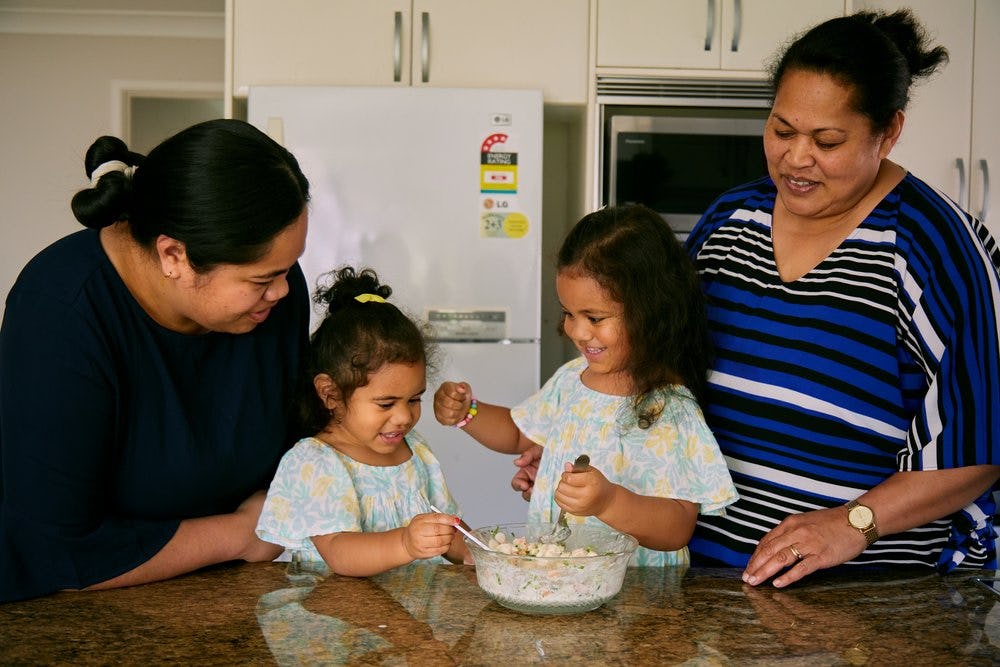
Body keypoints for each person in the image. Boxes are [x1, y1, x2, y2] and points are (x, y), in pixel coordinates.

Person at [515, 8, 1000, 587]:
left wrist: (852, 523)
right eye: (781, 129)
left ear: (888, 131)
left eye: (827, 140)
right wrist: (592, 449)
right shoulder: (729, 221)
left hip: (863, 600)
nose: (795, 157)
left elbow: (979, 445)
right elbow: (657, 367)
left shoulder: (937, 250)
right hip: (696, 584)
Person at [0, 119, 311, 602]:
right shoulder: (60, 310)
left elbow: (291, 446)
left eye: (288, 269)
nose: (284, 290)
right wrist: (241, 533)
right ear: (174, 255)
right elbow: (51, 549)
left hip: (233, 602)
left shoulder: (275, 300)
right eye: (261, 279)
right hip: (80, 613)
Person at [435, 205, 738, 566]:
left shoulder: (668, 409)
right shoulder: (572, 379)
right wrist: (467, 412)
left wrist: (608, 501)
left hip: (639, 600)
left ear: (651, 312)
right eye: (568, 313)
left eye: (594, 317)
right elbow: (520, 434)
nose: (577, 332)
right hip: (561, 582)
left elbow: (677, 527)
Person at [256, 266, 470, 576]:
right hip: (344, 616)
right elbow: (340, 552)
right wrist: (406, 544)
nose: (404, 417)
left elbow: (446, 527)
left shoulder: (415, 449)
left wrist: (478, 553)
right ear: (330, 394)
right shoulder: (315, 462)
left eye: (414, 399)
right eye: (386, 403)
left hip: (412, 615)